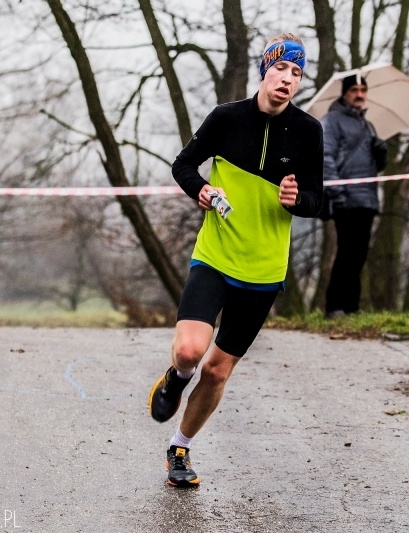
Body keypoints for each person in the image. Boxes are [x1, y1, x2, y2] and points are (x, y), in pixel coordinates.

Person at [148, 33, 323, 487]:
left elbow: (318, 201)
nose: (288, 79)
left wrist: (297, 198)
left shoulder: (308, 131)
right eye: (282, 69)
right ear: (265, 70)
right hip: (216, 255)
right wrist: (200, 190)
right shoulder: (226, 119)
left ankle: (180, 447)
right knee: (191, 351)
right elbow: (183, 165)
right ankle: (175, 376)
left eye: (297, 73)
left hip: (264, 271)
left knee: (218, 368)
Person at [322, 73, 386, 318]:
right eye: (354, 90)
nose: (359, 94)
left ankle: (352, 307)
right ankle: (335, 306)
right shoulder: (332, 121)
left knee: (359, 254)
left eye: (363, 89)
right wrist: (335, 189)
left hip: (367, 199)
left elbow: (375, 167)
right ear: (345, 93)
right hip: (344, 198)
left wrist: (381, 154)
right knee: (347, 252)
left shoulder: (367, 125)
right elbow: (325, 156)